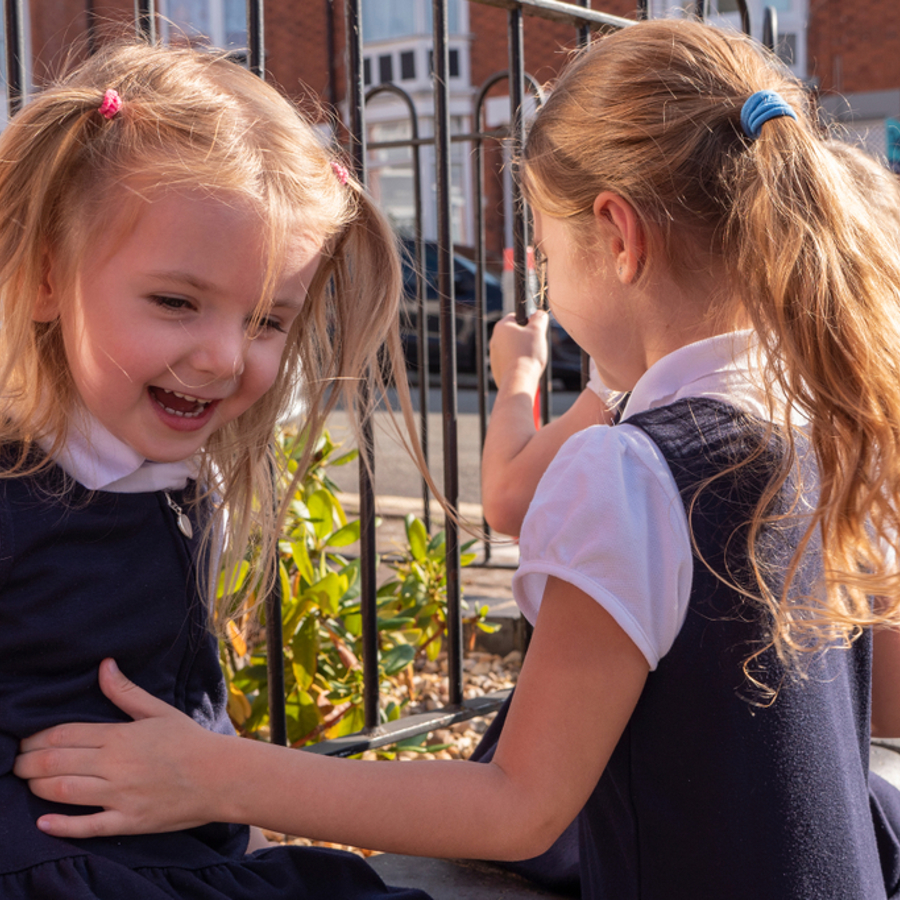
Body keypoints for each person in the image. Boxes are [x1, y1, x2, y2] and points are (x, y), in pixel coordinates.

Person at [17, 18, 900, 899]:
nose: (220, 356)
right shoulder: (822, 420)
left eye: (547, 260)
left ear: (619, 239)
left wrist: (214, 775)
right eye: (178, 302)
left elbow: (520, 807)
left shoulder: (630, 469)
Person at [0, 39, 434, 900]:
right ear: (47, 275)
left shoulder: (164, 471)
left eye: (269, 320)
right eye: (175, 303)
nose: (224, 357)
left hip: (167, 848)